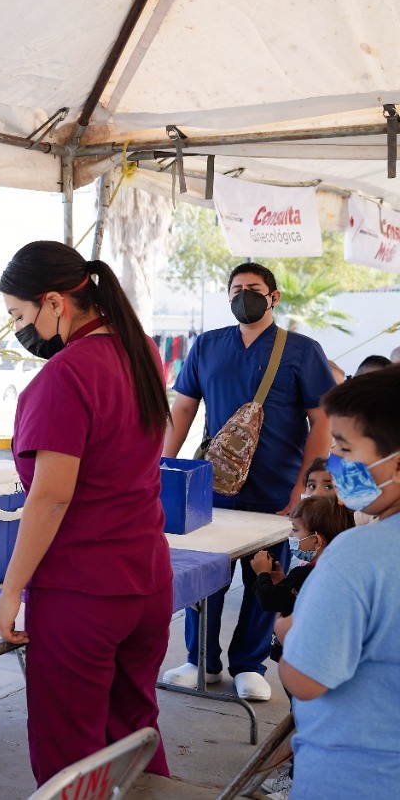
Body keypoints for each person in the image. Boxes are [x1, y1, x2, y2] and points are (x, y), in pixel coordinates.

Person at [0, 242, 173, 785]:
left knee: (69, 751)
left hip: (84, 591)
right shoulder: (141, 349)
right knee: (135, 734)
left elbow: (50, 497)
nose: (22, 330)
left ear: (54, 302)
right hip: (147, 579)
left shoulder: (67, 373)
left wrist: (9, 591)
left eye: (20, 316)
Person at [161, 262, 336, 702]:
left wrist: (303, 486)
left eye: (254, 289)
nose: (244, 296)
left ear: (274, 297)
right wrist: (161, 466)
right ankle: (199, 660)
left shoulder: (301, 350)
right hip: (212, 488)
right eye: (236, 289)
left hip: (275, 489)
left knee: (266, 576)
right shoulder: (207, 346)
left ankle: (249, 665)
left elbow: (321, 422)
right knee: (205, 574)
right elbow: (182, 409)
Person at [278, 365, 400, 798]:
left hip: (353, 778)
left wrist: (290, 634)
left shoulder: (356, 555)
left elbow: (307, 680)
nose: (335, 464)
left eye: (346, 450)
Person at [251, 494, 354, 661]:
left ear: (316, 541)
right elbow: (291, 596)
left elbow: (270, 600)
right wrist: (283, 582)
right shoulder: (336, 571)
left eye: (295, 529)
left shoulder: (305, 575)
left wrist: (262, 573)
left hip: (297, 658)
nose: (290, 534)